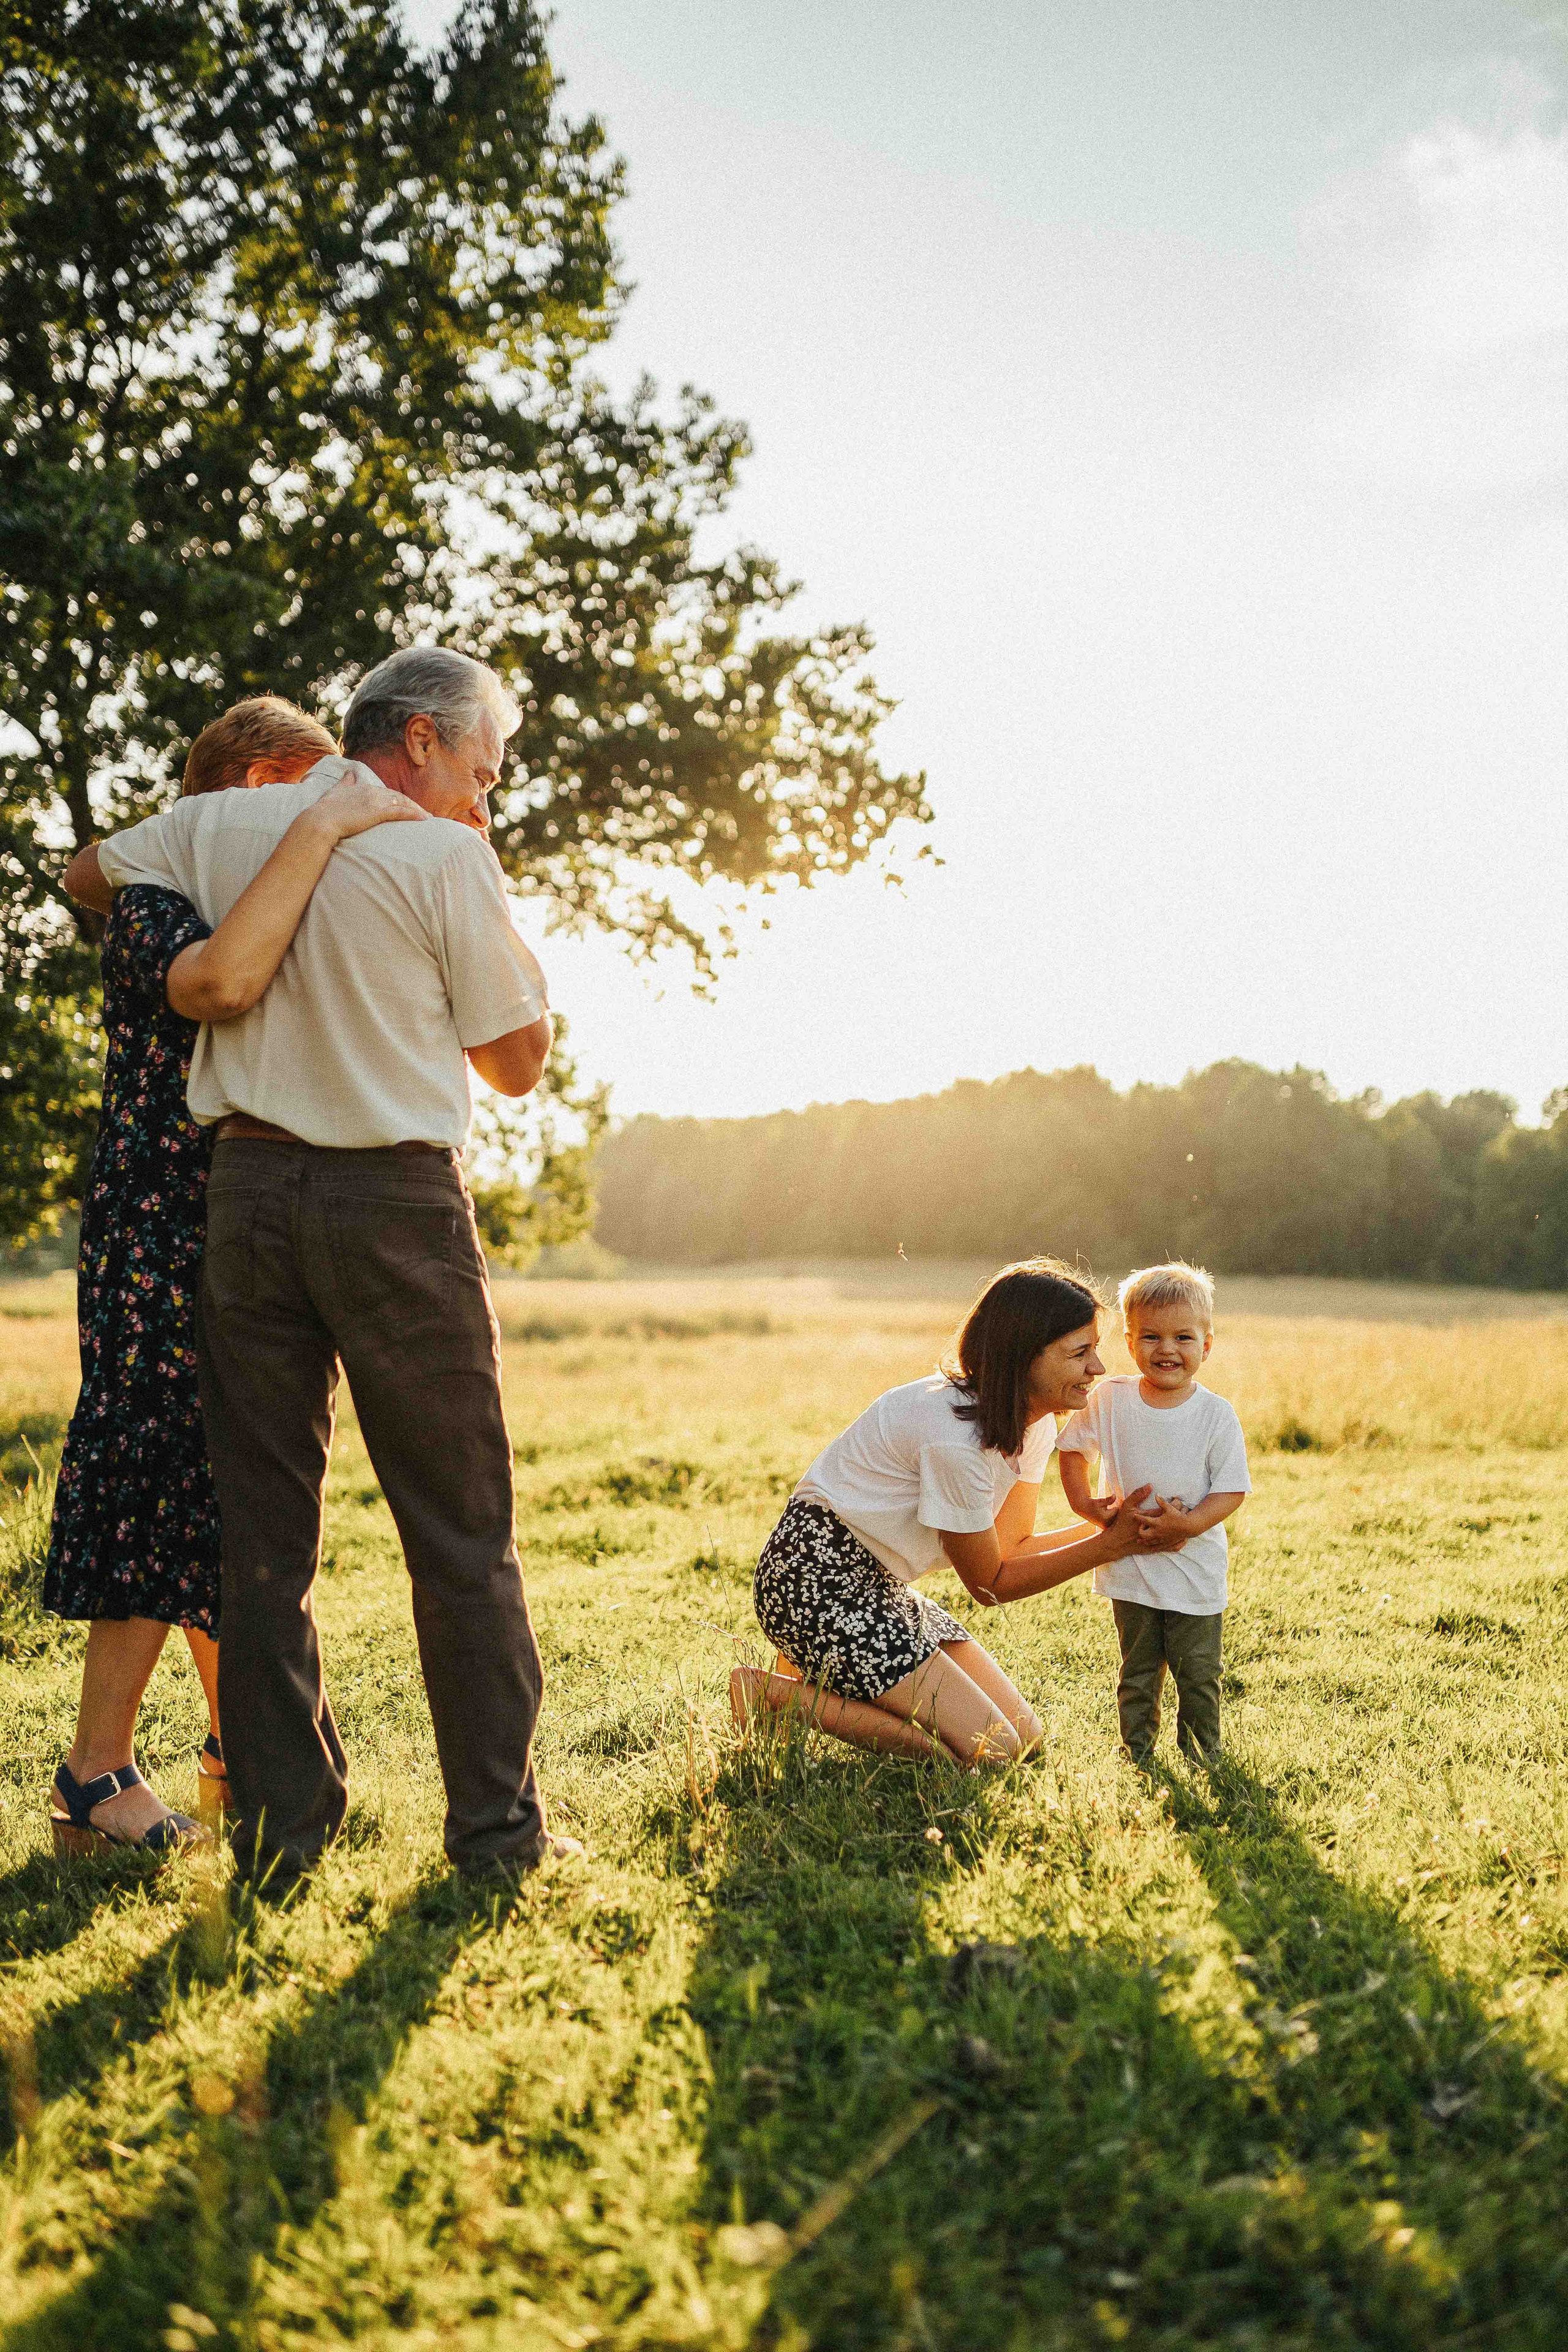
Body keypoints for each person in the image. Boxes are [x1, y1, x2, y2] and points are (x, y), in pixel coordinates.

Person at [88, 644, 574, 1885]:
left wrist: (237, 848)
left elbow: (85, 874)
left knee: (262, 1542)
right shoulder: (446, 855)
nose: (485, 795)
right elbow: (517, 1064)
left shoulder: (216, 828)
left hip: (245, 1204)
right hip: (394, 1206)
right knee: (459, 1531)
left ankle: (280, 1842)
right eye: (483, 769)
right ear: (418, 740)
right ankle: (497, 1839)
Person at [49, 699, 423, 1854]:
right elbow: (218, 985)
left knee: (229, 1488)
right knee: (160, 1475)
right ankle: (97, 1771)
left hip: (238, 1215)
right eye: (314, 785)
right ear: (257, 784)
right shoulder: (158, 901)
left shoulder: (258, 889)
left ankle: (240, 1750)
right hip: (159, 1226)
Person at [731, 1259, 1184, 1766]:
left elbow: (1012, 1547)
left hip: (878, 1586)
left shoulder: (1034, 1423)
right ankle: (768, 1694)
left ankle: (810, 1678)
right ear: (1022, 1357)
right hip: (812, 1584)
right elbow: (990, 1585)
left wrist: (1115, 1529)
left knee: (1025, 1740)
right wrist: (1110, 1545)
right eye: (1080, 1353)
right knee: (992, 1753)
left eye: (1094, 1350)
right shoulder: (956, 1439)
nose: (1098, 1369)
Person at [1057, 1261, 1250, 1763]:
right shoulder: (1110, 1399)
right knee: (1138, 1670)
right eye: (1151, 1336)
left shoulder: (1215, 1415)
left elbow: (1232, 1490)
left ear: (1206, 1345)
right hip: (1131, 1568)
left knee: (1198, 1671)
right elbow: (1074, 1449)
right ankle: (1137, 1752)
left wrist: (1190, 1523)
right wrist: (1084, 1503)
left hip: (1193, 1570)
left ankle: (1202, 1753)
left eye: (1183, 1337)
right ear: (1129, 1342)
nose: (1167, 1349)